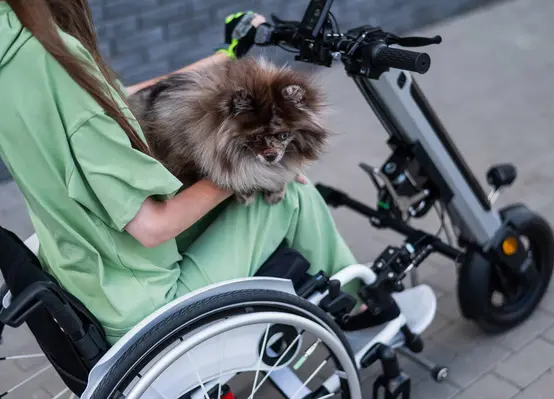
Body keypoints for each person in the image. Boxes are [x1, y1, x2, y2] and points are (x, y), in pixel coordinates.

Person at [0, 1, 357, 344]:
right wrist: (254, 173)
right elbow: (153, 227)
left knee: (267, 186)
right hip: (142, 301)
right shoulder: (56, 59)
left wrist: (225, 55)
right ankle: (358, 303)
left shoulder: (15, 53)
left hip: (82, 272)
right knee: (288, 194)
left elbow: (116, 102)